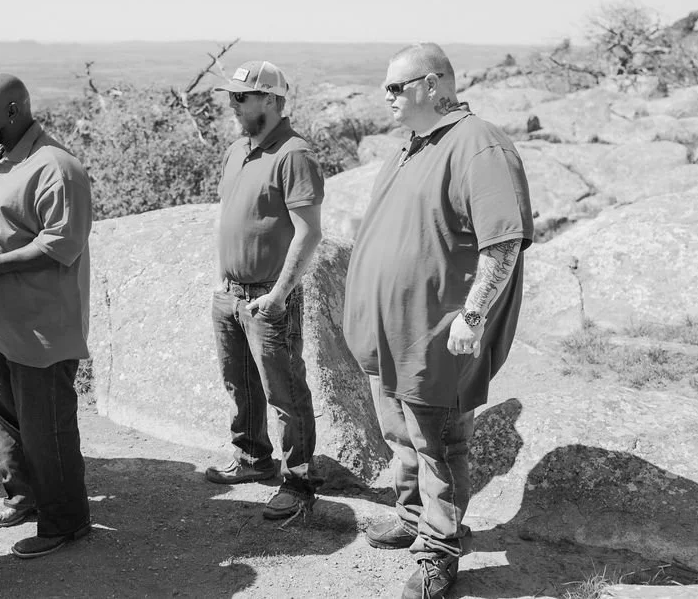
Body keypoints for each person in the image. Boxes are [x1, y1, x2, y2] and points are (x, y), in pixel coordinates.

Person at [343, 43, 534, 599]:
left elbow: (504, 242)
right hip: (389, 335)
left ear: (432, 85)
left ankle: (439, 551)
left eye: (395, 87)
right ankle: (412, 518)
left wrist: (472, 315)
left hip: (435, 336)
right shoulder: (411, 145)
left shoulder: (479, 144)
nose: (386, 97)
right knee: (400, 435)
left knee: (440, 444)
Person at [0, 73, 94, 559]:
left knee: (47, 430)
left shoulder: (56, 167)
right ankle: (23, 497)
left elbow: (61, 243)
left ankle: (66, 522)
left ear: (14, 111)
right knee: (6, 420)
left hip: (41, 327)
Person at [206, 60, 325, 519]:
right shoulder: (238, 149)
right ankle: (253, 459)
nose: (233, 105)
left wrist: (278, 295)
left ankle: (299, 482)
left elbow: (308, 233)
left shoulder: (294, 154)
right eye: (231, 97)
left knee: (285, 392)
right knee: (240, 385)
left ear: (271, 100)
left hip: (269, 295)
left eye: (241, 97)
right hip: (230, 293)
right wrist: (223, 281)